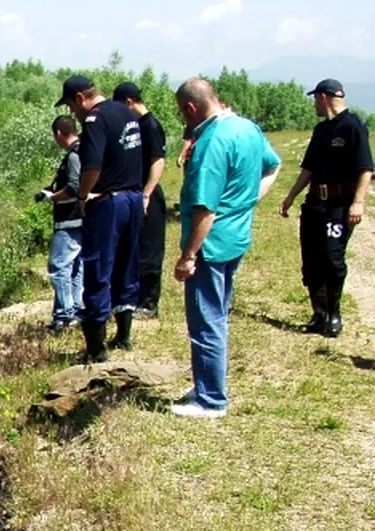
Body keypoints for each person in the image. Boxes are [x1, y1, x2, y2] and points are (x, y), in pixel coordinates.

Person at [172, 78, 280, 419]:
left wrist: (189, 255)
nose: (184, 121)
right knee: (216, 313)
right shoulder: (247, 128)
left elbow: (206, 208)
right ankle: (207, 383)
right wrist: (247, 204)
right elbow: (273, 165)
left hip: (212, 245)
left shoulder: (212, 142)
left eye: (182, 114)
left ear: (191, 108)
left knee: (207, 319)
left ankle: (210, 400)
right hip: (235, 238)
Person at [55, 75, 144, 362]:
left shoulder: (95, 120)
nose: (73, 114)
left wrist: (82, 197)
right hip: (133, 197)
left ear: (80, 98)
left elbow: (91, 167)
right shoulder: (126, 112)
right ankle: (124, 336)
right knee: (126, 266)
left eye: (71, 106)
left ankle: (96, 349)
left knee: (97, 269)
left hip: (109, 202)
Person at [278, 78, 374, 338]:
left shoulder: (353, 127)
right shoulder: (321, 131)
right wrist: (290, 197)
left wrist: (358, 202)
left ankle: (334, 313)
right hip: (315, 204)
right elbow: (308, 168)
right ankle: (318, 313)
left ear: (323, 96)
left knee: (332, 258)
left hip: (340, 206)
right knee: (312, 259)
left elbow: (365, 168)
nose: (313, 105)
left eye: (314, 99)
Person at [114, 82, 169, 320]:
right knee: (135, 248)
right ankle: (135, 299)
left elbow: (158, 161)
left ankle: (148, 303)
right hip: (136, 194)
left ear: (128, 102)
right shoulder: (136, 125)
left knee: (149, 250)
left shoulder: (150, 126)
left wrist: (146, 194)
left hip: (149, 196)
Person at [34, 115, 85, 334]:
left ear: (58, 133)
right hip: (80, 219)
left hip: (69, 220)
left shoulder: (73, 155)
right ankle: (74, 310)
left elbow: (74, 187)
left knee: (58, 267)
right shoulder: (84, 150)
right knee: (75, 267)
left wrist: (51, 197)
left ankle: (64, 316)